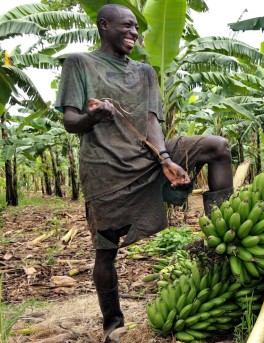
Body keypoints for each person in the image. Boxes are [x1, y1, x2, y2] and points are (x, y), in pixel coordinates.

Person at [54, 4, 233, 342]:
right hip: (106, 168)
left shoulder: (145, 72)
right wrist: (93, 117)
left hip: (148, 154)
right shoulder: (80, 63)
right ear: (103, 25)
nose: (134, 33)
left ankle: (225, 237)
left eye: (136, 28)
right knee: (106, 249)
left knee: (218, 147)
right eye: (127, 26)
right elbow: (70, 122)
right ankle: (112, 323)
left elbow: (152, 121)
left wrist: (165, 158)